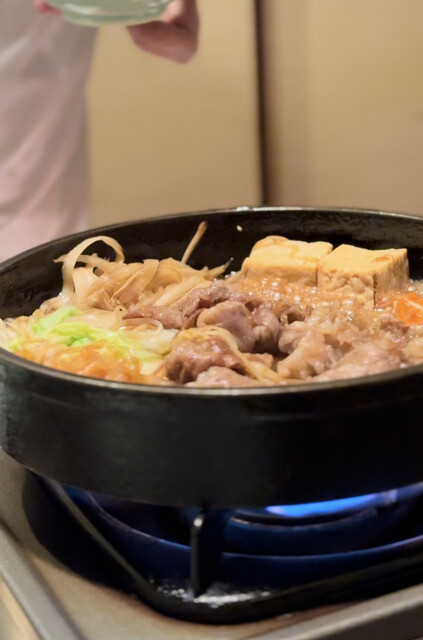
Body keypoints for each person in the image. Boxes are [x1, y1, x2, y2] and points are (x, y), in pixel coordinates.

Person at [0, 0, 199, 262]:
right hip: (40, 193)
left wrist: (146, 12)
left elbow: (176, 31)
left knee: (41, 272)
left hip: (40, 196)